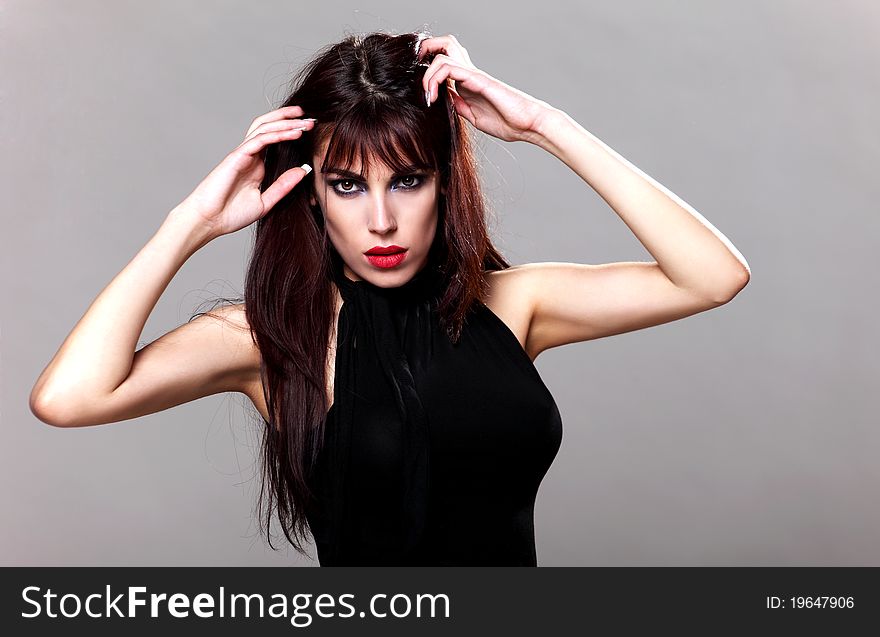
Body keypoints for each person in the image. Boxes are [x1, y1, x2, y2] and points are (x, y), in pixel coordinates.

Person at [29, 30, 750, 566]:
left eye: (407, 180)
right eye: (347, 184)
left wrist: (542, 127)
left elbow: (712, 275)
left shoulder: (512, 303)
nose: (380, 220)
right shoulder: (272, 338)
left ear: (445, 181)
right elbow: (68, 397)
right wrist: (188, 224)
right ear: (310, 191)